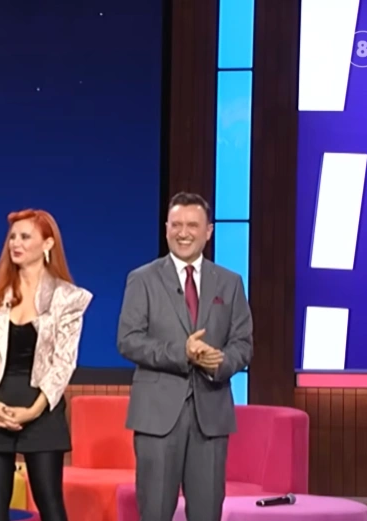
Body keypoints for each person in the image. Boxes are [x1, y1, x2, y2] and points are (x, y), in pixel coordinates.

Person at [117, 192, 253, 521]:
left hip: (211, 416)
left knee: (207, 512)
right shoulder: (143, 279)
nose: (183, 233)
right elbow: (128, 340)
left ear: (208, 231)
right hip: (157, 417)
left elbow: (243, 344)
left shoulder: (230, 283)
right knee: (155, 511)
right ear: (166, 228)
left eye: (192, 225)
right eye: (176, 225)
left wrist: (218, 362)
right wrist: (182, 352)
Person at [0, 209, 92, 521]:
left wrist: (33, 411)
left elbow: (64, 362)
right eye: (12, 237)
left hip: (42, 406)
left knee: (50, 503)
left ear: (47, 244)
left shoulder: (68, 298)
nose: (15, 244)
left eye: (25, 237)